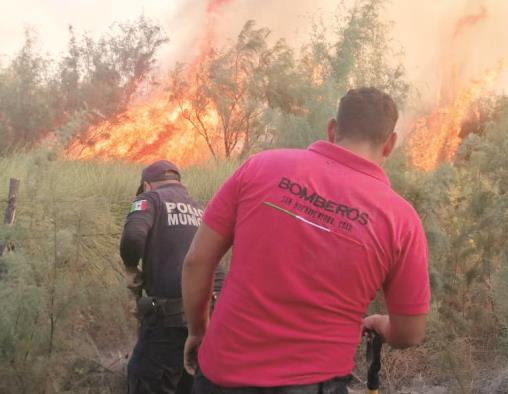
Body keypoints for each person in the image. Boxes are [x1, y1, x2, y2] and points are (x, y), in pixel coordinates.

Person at [182, 87, 430, 393]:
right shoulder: (401, 220)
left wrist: (197, 329)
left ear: (332, 129)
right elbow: (409, 333)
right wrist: (380, 322)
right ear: (390, 143)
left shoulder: (261, 167)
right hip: (313, 383)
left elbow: (197, 261)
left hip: (221, 375)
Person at [121, 160, 224, 394]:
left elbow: (133, 237)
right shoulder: (200, 207)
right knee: (189, 380)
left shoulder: (150, 199)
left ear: (147, 185)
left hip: (170, 318)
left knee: (145, 377)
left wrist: (131, 270)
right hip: (211, 314)